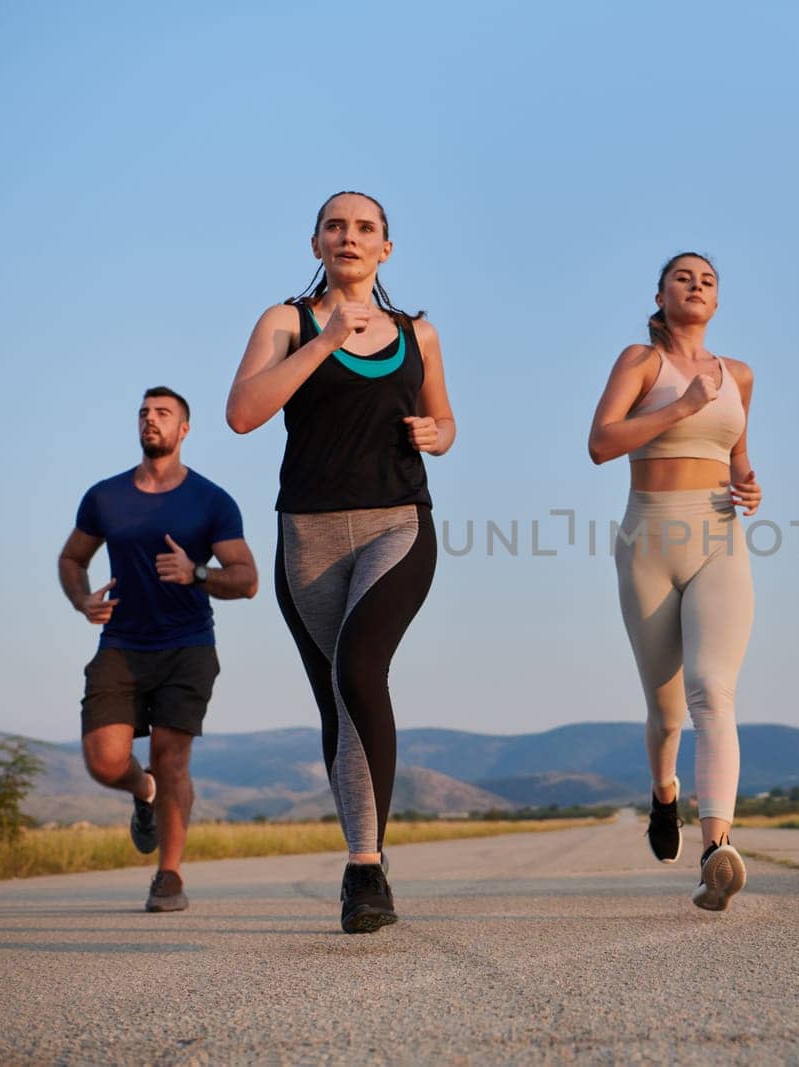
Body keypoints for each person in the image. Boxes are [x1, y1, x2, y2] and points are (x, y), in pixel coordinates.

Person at [226, 191, 455, 934]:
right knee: (337, 696)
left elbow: (446, 421)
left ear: (386, 248)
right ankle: (370, 860)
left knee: (359, 667)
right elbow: (242, 413)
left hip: (397, 521)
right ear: (316, 241)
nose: (349, 236)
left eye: (365, 228)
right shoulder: (285, 321)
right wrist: (324, 341)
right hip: (308, 532)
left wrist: (435, 432)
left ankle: (363, 867)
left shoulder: (419, 331)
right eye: (336, 226)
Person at [587, 252, 762, 911]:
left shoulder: (738, 375)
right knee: (665, 711)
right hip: (648, 539)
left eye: (709, 280)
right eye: (683, 277)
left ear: (717, 302)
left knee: (711, 690)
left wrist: (749, 484)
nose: (696, 285)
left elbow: (739, 455)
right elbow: (601, 443)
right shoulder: (640, 360)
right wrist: (681, 405)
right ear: (660, 294)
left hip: (718, 535)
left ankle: (716, 848)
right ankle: (664, 794)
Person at [58, 386, 258, 912]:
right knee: (104, 762)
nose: (151, 419)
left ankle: (168, 875)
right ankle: (142, 792)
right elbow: (72, 559)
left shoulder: (211, 501)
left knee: (172, 758)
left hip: (187, 646)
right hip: (121, 644)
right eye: (144, 412)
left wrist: (195, 573)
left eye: (163, 413)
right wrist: (83, 600)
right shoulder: (105, 497)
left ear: (184, 429)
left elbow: (248, 579)